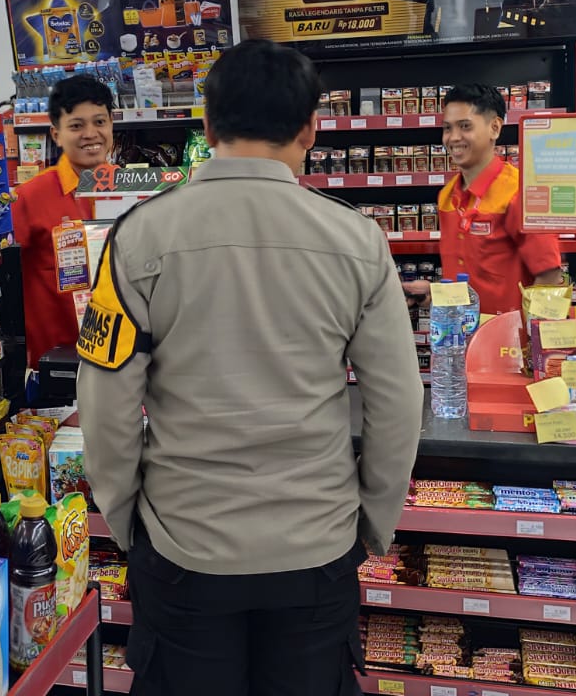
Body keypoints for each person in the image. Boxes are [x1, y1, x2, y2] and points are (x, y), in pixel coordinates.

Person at [76, 39, 424, 696]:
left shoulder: (139, 235)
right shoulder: (357, 240)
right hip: (315, 545)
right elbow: (399, 402)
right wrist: (372, 524)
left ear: (207, 127)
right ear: (310, 128)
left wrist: (126, 521)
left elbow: (104, 403)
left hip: (185, 545)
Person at [403, 84, 564, 316]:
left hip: (508, 336)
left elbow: (549, 274)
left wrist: (532, 331)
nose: (453, 137)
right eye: (447, 128)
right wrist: (435, 293)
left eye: (465, 126)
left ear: (494, 128)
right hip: (459, 333)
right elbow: (468, 278)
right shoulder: (447, 196)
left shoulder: (518, 192)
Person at [11, 74, 114, 369]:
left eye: (99, 122)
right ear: (56, 134)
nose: (91, 134)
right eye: (76, 126)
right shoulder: (29, 197)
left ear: (112, 124)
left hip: (120, 357)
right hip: (56, 363)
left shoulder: (130, 190)